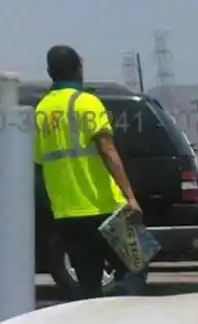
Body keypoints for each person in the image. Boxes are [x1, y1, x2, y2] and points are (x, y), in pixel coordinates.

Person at [33, 45, 146, 300]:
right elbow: (107, 150)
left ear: (50, 72)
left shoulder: (41, 110)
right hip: (106, 207)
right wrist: (130, 196)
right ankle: (126, 318)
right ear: (79, 68)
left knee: (89, 284)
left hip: (67, 213)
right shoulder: (87, 103)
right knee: (137, 266)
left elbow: (40, 162)